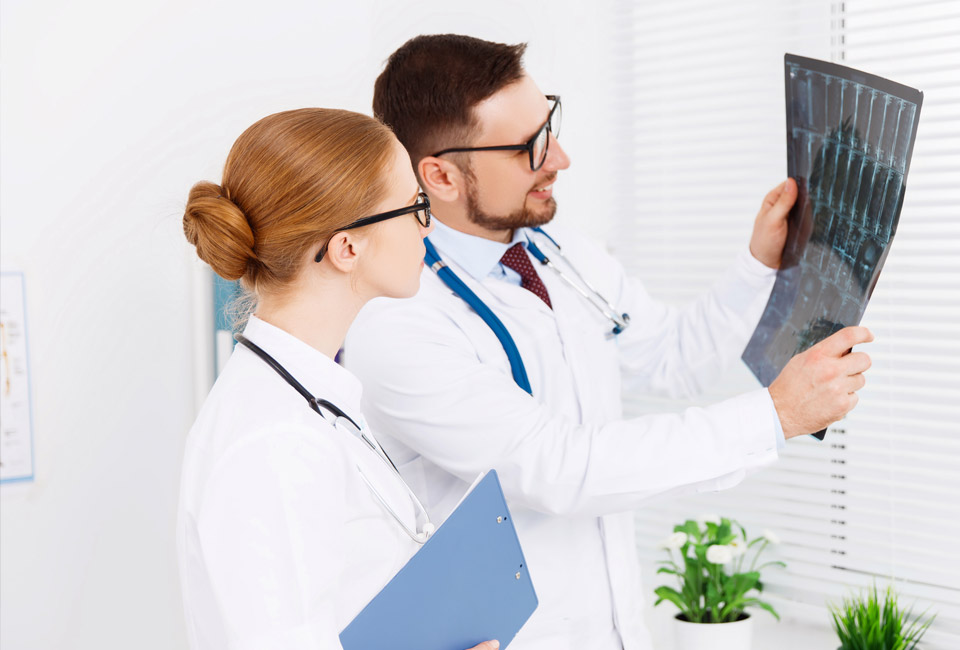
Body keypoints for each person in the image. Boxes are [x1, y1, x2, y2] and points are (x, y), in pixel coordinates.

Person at [345, 35, 872, 650]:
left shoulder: (561, 251)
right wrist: (773, 417)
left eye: (550, 128)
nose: (560, 159)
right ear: (439, 175)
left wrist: (759, 264)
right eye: (529, 147)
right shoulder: (396, 320)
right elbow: (559, 468)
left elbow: (673, 358)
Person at [177, 107, 499, 650]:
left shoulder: (308, 399)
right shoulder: (275, 440)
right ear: (347, 247)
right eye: (416, 206)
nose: (429, 225)